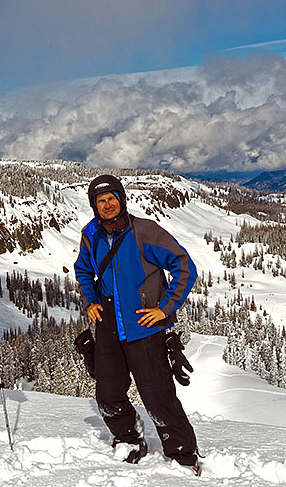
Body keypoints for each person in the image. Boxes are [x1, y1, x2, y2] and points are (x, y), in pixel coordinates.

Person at [73, 174, 200, 473]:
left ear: (122, 199)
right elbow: (82, 269)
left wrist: (165, 308)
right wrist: (90, 300)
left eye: (111, 198)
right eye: (100, 201)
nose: (107, 205)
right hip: (107, 324)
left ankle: (182, 451)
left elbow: (184, 266)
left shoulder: (144, 231)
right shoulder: (91, 233)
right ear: (94, 205)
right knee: (109, 391)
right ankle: (128, 437)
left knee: (157, 393)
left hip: (144, 324)